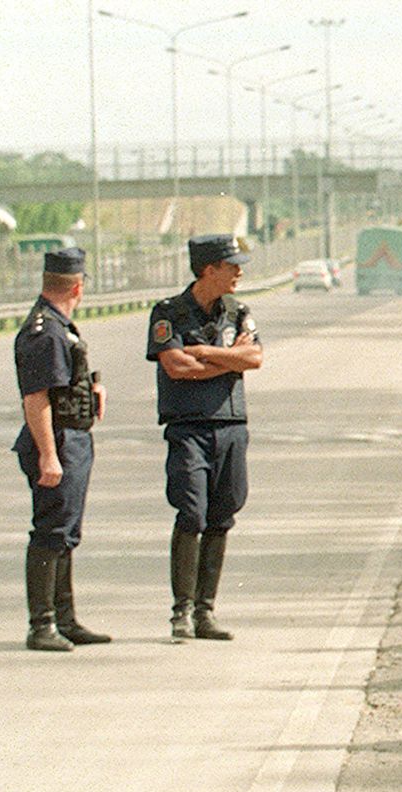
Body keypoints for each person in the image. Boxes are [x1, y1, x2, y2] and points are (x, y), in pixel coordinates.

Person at [146, 235, 263, 642]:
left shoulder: (238, 310)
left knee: (222, 515)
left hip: (231, 426)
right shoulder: (169, 313)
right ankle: (182, 610)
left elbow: (255, 358)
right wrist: (227, 360)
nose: (239, 272)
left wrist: (204, 353)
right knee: (191, 513)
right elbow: (176, 366)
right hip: (189, 427)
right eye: (232, 265)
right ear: (209, 269)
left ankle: (206, 612)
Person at [13, 248, 110, 651]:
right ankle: (42, 624)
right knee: (51, 531)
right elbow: (36, 398)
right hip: (56, 441)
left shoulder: (60, 326)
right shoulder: (46, 330)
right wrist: (48, 455)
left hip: (73, 438)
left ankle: (65, 618)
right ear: (78, 286)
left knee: (67, 532)